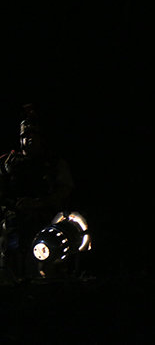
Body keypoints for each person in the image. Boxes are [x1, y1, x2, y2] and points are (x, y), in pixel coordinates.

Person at [0, 106, 74, 282]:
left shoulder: (52, 163)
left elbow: (65, 188)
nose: (29, 139)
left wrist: (39, 203)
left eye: (34, 134)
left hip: (44, 221)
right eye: (25, 135)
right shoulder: (7, 162)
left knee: (44, 263)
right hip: (12, 221)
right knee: (10, 259)